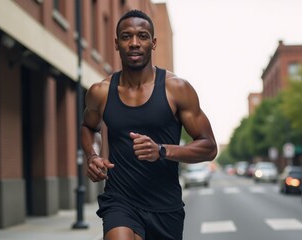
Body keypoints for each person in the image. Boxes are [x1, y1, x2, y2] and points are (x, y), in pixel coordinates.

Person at [80, 9, 217, 240]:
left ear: (153, 43)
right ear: (116, 43)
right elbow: (88, 127)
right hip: (119, 200)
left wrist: (162, 151)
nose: (134, 43)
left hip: (165, 206)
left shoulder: (177, 89)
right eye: (126, 36)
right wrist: (92, 156)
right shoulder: (100, 92)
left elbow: (209, 147)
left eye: (142, 36)